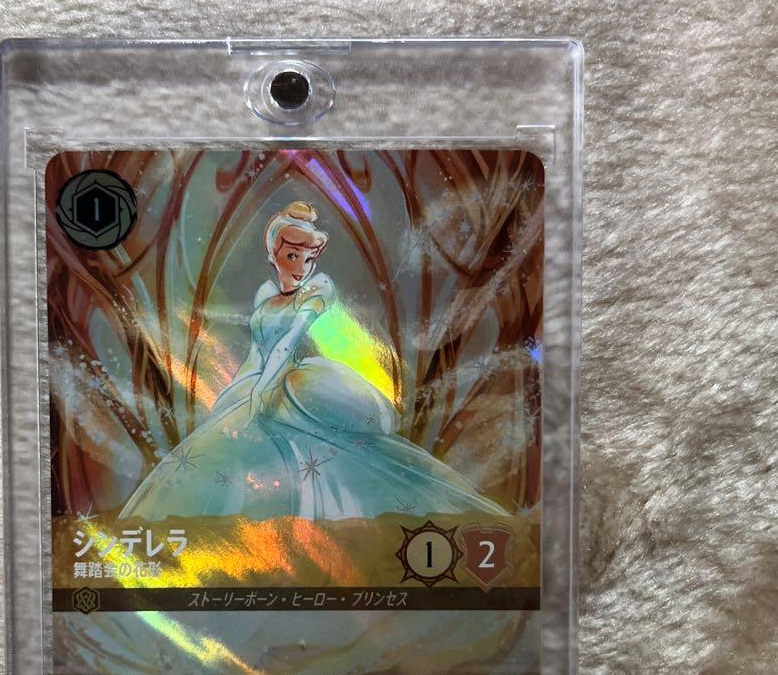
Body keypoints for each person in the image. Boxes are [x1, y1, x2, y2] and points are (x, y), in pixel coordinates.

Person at [119, 201, 506, 522]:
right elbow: (258, 351)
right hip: (260, 380)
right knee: (217, 455)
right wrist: (237, 395)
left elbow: (287, 343)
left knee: (328, 455)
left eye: (308, 258)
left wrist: (261, 394)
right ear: (273, 254)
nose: (302, 267)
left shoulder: (318, 289)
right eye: (292, 256)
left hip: (299, 387)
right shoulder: (265, 293)